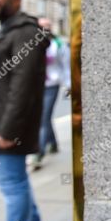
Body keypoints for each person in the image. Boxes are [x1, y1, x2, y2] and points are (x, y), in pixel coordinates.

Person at [0, 0, 49, 221]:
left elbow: (24, 87)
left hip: (7, 128)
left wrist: (9, 130)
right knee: (17, 183)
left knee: (12, 186)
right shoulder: (10, 30)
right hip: (0, 124)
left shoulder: (24, 33)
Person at [32, 18, 70, 170]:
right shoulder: (30, 44)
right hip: (36, 86)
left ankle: (39, 153)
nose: (44, 29)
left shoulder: (58, 45)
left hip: (52, 86)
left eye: (47, 26)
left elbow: (65, 66)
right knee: (44, 117)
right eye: (41, 26)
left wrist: (68, 85)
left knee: (43, 117)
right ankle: (53, 144)